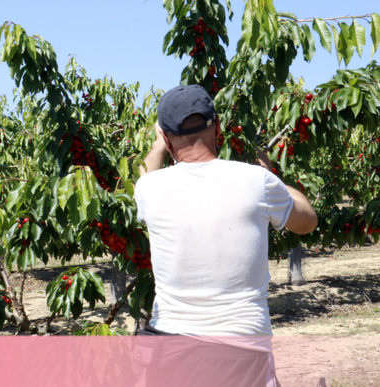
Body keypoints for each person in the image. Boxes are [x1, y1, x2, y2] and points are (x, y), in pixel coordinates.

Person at [133, 85, 317, 386]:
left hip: (169, 351)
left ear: (166, 139)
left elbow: (145, 173)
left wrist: (158, 145)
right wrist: (273, 179)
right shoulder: (257, 182)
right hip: (242, 354)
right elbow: (307, 221)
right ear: (217, 126)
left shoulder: (150, 189)